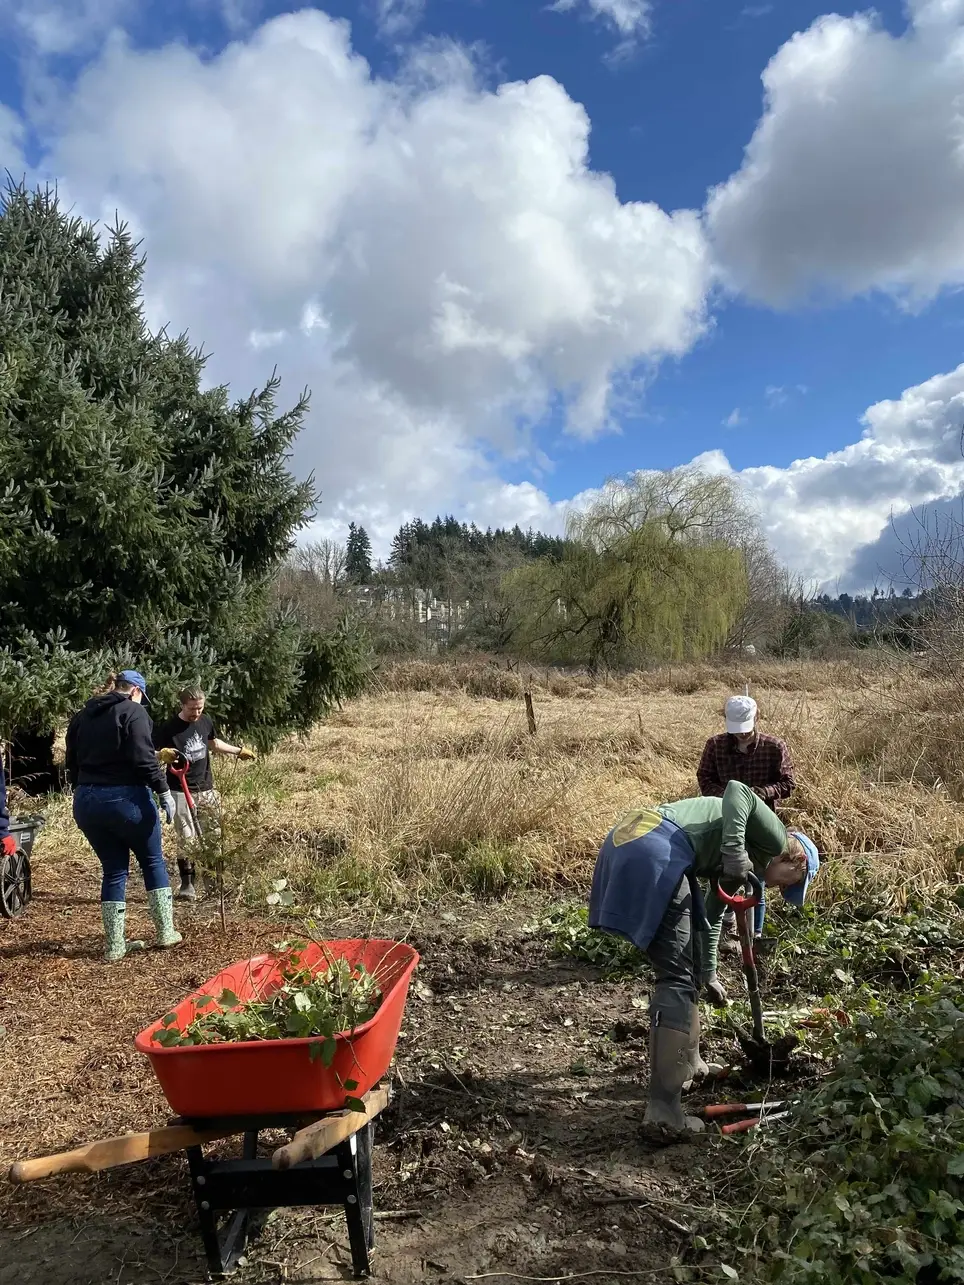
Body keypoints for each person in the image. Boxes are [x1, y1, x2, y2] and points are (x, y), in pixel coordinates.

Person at [589, 779, 819, 1142]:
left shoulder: (736, 867)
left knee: (689, 971)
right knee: (676, 979)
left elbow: (710, 919)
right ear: (797, 860)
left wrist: (708, 972)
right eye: (790, 882)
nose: (779, 889)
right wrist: (734, 851)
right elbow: (737, 791)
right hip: (657, 847)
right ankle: (664, 1113)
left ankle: (690, 1064)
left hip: (632, 838)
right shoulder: (774, 838)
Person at [65, 670, 182, 962]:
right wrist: (164, 791)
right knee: (152, 860)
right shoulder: (133, 711)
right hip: (126, 799)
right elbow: (142, 758)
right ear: (135, 691)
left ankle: (115, 946)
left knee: (114, 870)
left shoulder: (82, 716)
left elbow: (71, 761)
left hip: (86, 801)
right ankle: (165, 932)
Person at [697, 695, 796, 945]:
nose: (741, 734)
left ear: (757, 718)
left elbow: (788, 783)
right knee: (724, 872)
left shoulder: (774, 747)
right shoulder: (715, 746)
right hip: (725, 821)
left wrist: (762, 793)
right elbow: (705, 779)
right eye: (736, 730)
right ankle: (725, 924)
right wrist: (729, 798)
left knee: (757, 878)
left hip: (761, 825)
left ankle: (756, 935)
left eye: (745, 729)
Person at [153, 687, 255, 900]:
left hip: (206, 788)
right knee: (187, 838)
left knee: (213, 836)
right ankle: (187, 885)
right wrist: (161, 754)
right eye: (192, 709)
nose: (196, 713)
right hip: (180, 790)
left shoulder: (205, 721)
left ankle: (214, 883)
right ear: (182, 705)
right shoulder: (169, 728)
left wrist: (238, 751)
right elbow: (149, 753)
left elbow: (213, 743)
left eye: (200, 708)